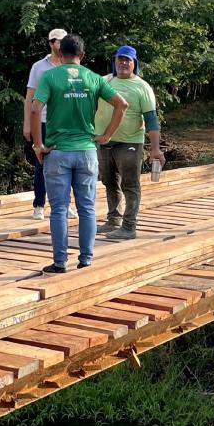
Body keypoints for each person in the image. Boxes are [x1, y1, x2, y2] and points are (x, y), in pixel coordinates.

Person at [32, 34, 128, 273]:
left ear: (60, 54)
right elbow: (122, 104)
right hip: (86, 151)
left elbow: (35, 109)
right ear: (82, 56)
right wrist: (105, 136)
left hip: (57, 152)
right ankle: (86, 259)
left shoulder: (49, 76)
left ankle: (60, 262)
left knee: (59, 209)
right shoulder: (93, 77)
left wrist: (38, 144)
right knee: (86, 208)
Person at [95, 45, 163, 240]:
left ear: (135, 64)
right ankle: (113, 220)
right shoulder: (105, 81)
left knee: (130, 184)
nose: (123, 63)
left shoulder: (142, 87)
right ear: (114, 61)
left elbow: (151, 118)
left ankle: (129, 226)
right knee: (109, 181)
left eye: (128, 60)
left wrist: (155, 148)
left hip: (130, 142)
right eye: (120, 59)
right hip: (105, 140)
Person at [24, 28, 67, 220]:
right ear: (51, 43)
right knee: (41, 162)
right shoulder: (39, 67)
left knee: (65, 163)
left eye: (63, 41)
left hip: (64, 121)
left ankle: (64, 203)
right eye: (57, 41)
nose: (60, 44)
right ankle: (39, 204)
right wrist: (27, 124)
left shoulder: (70, 65)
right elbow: (30, 97)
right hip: (42, 120)